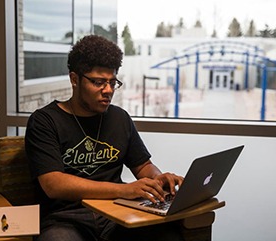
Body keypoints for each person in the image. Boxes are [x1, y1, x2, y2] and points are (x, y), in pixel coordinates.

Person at [25, 35, 184, 241]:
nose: (108, 90)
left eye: (112, 82)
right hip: (65, 220)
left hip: (116, 216)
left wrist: (158, 179)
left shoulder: (119, 118)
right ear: (74, 80)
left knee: (168, 236)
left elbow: (143, 165)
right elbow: (54, 184)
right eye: (98, 82)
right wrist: (125, 190)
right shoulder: (45, 121)